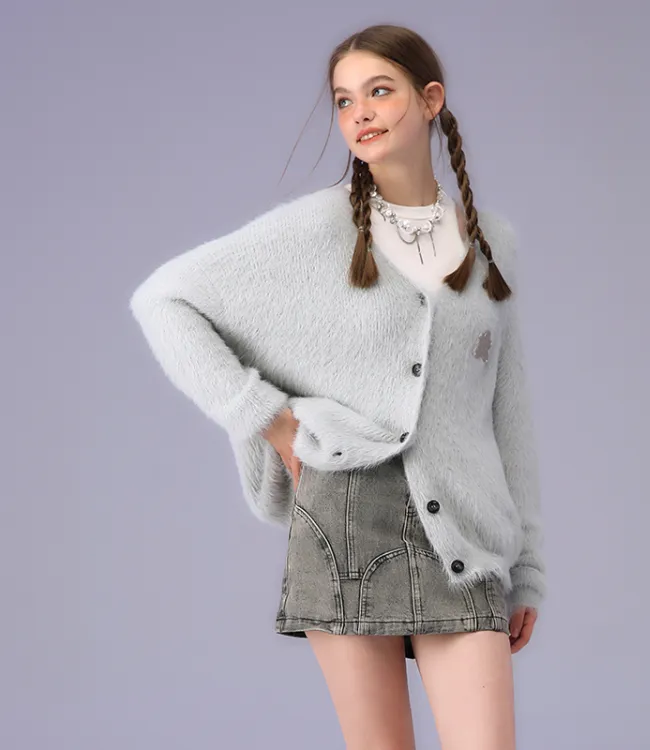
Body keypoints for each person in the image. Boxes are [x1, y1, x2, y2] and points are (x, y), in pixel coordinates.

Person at [130, 23, 545, 750]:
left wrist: (528, 568)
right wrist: (266, 417)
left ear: (431, 100)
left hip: (466, 533)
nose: (360, 113)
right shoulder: (317, 228)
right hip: (346, 518)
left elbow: (506, 413)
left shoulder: (492, 243)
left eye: (379, 91)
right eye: (345, 100)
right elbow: (162, 300)